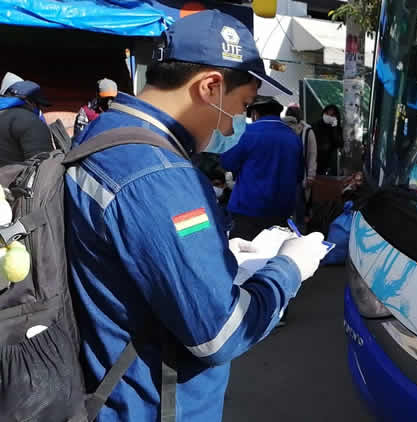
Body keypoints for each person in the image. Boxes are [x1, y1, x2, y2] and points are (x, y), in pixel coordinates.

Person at [65, 10, 328, 422]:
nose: (232, 128)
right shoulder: (162, 176)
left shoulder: (102, 134)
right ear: (210, 87)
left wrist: (215, 251)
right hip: (155, 405)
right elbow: (220, 334)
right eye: (240, 107)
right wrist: (289, 268)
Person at [222, 96, 304, 240]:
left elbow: (228, 163)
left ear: (254, 114)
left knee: (244, 258)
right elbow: (298, 176)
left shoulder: (246, 133)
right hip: (281, 212)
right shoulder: (293, 137)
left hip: (247, 210)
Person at [0, 80, 53, 166]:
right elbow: (44, 165)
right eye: (38, 104)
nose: (39, 109)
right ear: (30, 102)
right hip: (11, 178)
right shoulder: (30, 120)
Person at [283, 103, 317, 228]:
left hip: (282, 177)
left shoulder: (280, 129)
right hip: (300, 177)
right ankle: (299, 237)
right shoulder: (307, 131)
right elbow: (312, 154)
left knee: (285, 212)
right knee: (299, 211)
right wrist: (311, 176)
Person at [313, 104, 343, 175]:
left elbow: (339, 143)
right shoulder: (315, 126)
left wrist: (334, 128)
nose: (328, 116)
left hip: (330, 163)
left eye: (332, 115)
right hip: (316, 162)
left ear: (336, 117)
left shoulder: (337, 128)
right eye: (327, 113)